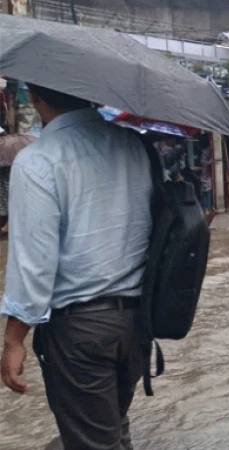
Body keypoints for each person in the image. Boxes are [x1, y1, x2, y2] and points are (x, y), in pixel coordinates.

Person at [0, 83, 153, 450]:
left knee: (95, 440)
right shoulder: (133, 145)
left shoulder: (39, 160)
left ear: (35, 98)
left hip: (80, 330)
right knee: (114, 429)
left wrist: (14, 338)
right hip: (138, 321)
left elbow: (34, 261)